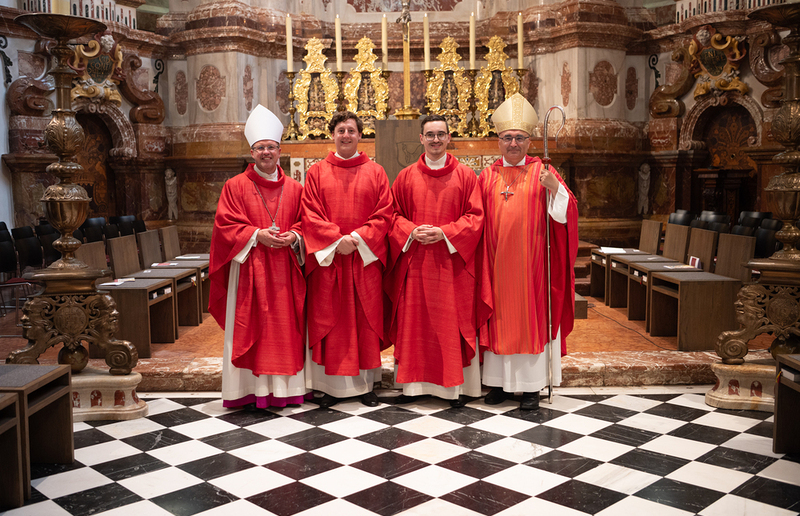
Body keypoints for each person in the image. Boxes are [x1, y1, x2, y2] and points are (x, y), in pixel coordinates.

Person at [477, 93, 579, 410]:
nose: (513, 143)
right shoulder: (487, 176)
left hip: (532, 267)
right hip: (495, 266)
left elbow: (567, 213)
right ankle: (499, 384)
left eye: (519, 138)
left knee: (530, 321)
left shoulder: (543, 172)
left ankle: (532, 387)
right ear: (498, 142)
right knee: (498, 319)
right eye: (507, 138)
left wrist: (555, 189)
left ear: (529, 142)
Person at [385, 114, 489, 408]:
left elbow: (476, 217)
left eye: (440, 134)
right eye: (429, 135)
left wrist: (444, 233)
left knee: (449, 323)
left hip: (451, 265)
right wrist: (411, 230)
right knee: (415, 324)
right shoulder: (406, 177)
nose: (435, 140)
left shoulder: (465, 176)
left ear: (449, 137)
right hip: (416, 264)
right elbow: (392, 217)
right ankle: (413, 388)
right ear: (421, 139)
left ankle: (454, 388)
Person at [209, 104, 308, 410]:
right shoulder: (235, 186)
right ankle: (248, 391)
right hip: (249, 271)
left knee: (284, 329)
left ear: (280, 151)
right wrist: (255, 235)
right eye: (260, 148)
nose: (266, 153)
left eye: (271, 147)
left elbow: (307, 223)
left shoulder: (296, 188)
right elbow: (224, 226)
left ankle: (285, 391)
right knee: (252, 326)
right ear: (252, 152)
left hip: (285, 271)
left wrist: (295, 237)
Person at [301, 111, 393, 409]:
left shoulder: (375, 172)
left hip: (363, 260)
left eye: (351, 130)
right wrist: (335, 240)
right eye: (341, 130)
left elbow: (384, 213)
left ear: (360, 135)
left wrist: (357, 239)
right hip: (330, 261)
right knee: (332, 319)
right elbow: (309, 214)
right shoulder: (317, 172)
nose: (346, 135)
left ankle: (366, 385)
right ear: (332, 135)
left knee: (364, 322)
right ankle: (331, 387)